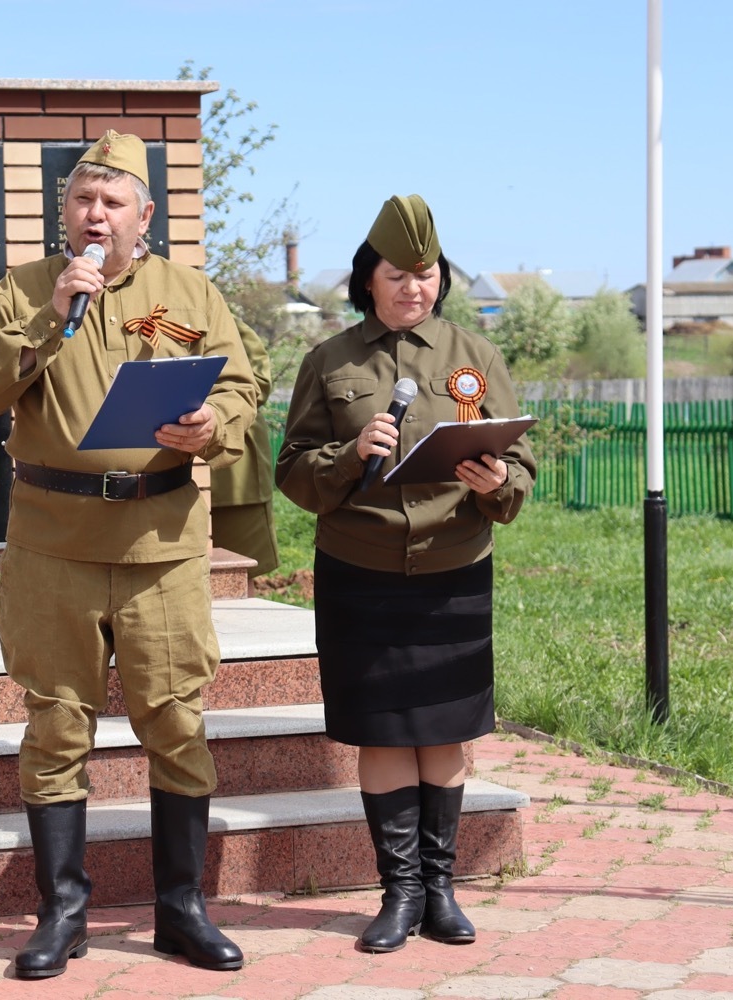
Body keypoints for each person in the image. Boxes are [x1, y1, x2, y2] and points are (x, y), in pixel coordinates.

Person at [0, 130, 257, 980]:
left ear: (143, 216)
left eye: (113, 202)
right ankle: (63, 915)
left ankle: (182, 911)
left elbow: (241, 388)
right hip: (54, 544)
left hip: (161, 544)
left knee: (178, 722)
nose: (96, 215)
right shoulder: (24, 290)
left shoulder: (190, 292)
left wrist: (212, 424)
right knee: (56, 725)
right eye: (83, 199)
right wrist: (49, 321)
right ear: (65, 211)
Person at [275, 194, 536, 953]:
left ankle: (441, 891)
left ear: (440, 279)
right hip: (360, 568)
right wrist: (348, 455)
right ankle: (399, 894)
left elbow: (519, 462)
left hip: (454, 569)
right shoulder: (329, 361)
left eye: (425, 275)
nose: (413, 288)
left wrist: (499, 483)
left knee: (446, 731)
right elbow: (292, 470)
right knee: (383, 731)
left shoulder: (475, 356)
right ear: (368, 279)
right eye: (397, 275)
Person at [210, 318, 280, 586]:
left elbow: (257, 384)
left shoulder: (221, 318)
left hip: (235, 478)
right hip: (159, 480)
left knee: (238, 577)